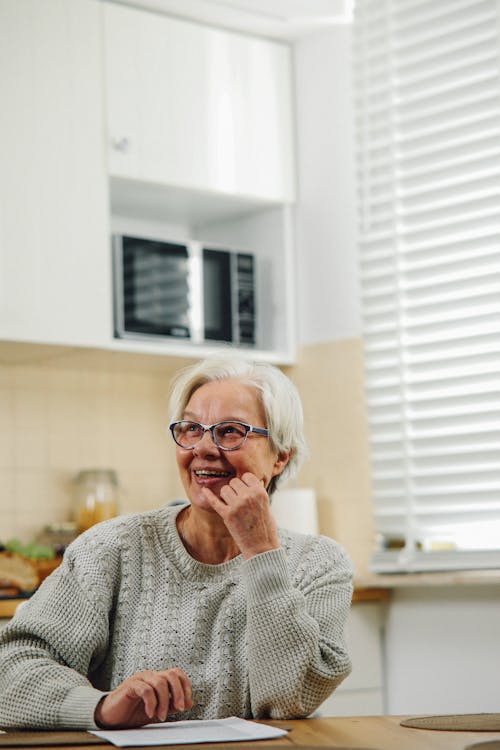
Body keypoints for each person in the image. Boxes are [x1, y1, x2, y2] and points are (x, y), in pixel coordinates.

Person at [0, 357, 353, 730]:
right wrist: (101, 707)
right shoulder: (110, 549)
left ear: (281, 456)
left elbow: (289, 700)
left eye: (230, 431)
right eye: (189, 428)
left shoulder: (320, 564)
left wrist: (261, 551)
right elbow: (11, 671)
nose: (203, 447)